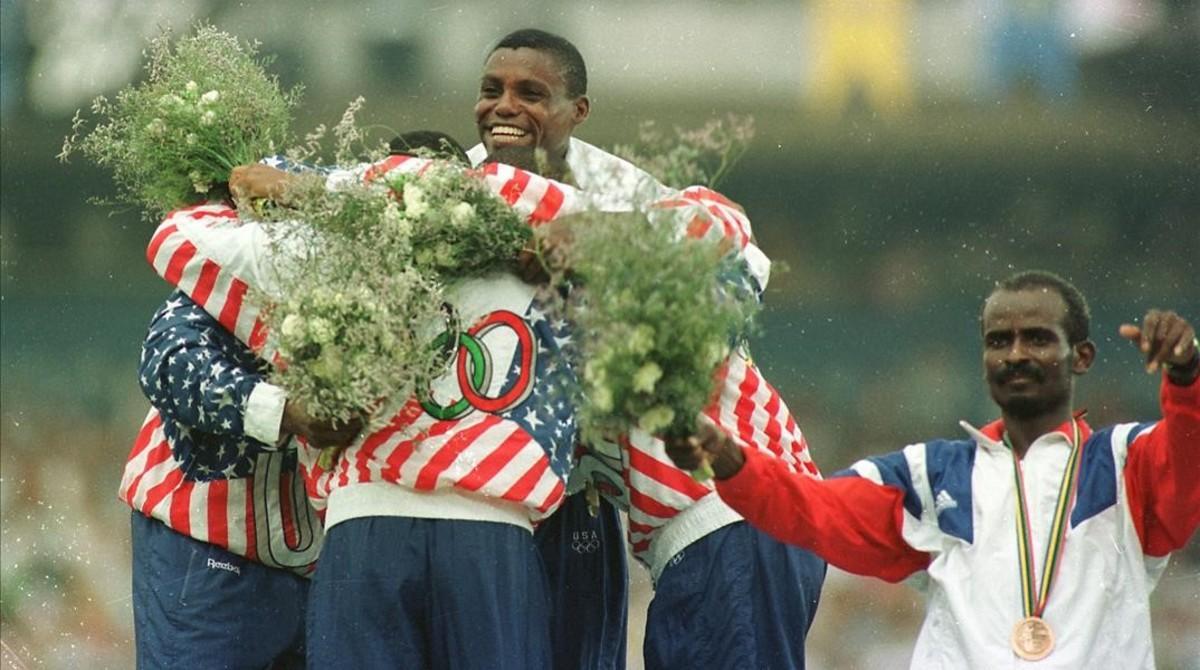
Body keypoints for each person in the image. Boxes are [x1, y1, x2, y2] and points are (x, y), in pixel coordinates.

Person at [470, 28, 827, 670]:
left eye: (531, 92)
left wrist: (597, 240)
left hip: (735, 511)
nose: (505, 106)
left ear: (575, 113)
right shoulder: (470, 191)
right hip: (688, 538)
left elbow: (734, 237)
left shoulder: (617, 193)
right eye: (492, 90)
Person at [666, 270, 1200, 668]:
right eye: (998, 341)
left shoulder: (1125, 462)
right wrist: (731, 460)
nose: (1015, 354)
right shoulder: (928, 477)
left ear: (1081, 356)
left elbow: (1189, 456)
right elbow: (814, 512)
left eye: (1037, 338)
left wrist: (1187, 373)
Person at [123, 287, 360, 669]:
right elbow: (166, 362)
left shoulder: (378, 278)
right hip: (207, 541)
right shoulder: (232, 255)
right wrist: (282, 412)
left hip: (327, 559)